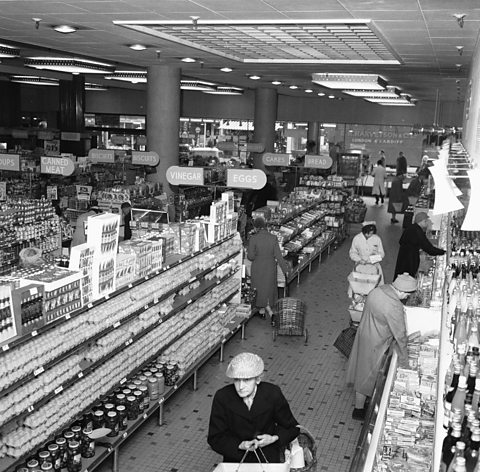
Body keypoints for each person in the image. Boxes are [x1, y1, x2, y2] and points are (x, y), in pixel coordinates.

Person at [346, 273, 417, 420]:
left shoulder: (379, 290)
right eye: (408, 295)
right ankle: (359, 411)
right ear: (403, 292)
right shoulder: (394, 305)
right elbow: (400, 335)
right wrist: (405, 363)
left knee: (361, 371)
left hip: (365, 332)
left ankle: (359, 407)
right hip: (377, 341)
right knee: (368, 375)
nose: (406, 298)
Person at [207, 352, 299, 463]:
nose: (240, 387)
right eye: (237, 380)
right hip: (236, 460)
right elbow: (215, 437)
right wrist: (240, 445)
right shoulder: (222, 397)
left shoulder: (272, 394)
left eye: (246, 380)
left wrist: (273, 438)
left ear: (258, 379)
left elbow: (292, 428)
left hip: (268, 459)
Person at [247, 216, 289, 317]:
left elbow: (251, 257)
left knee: (259, 290)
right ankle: (262, 311)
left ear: (256, 227)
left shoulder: (253, 239)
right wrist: (285, 270)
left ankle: (269, 313)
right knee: (267, 289)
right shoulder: (273, 238)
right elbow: (279, 256)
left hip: (258, 268)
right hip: (270, 268)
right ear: (265, 226)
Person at [394, 211, 446, 279]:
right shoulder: (418, 231)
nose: (427, 223)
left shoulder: (410, 227)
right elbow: (429, 249)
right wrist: (443, 252)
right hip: (411, 259)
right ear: (422, 221)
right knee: (408, 278)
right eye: (426, 221)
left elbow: (401, 241)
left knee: (400, 276)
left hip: (402, 255)